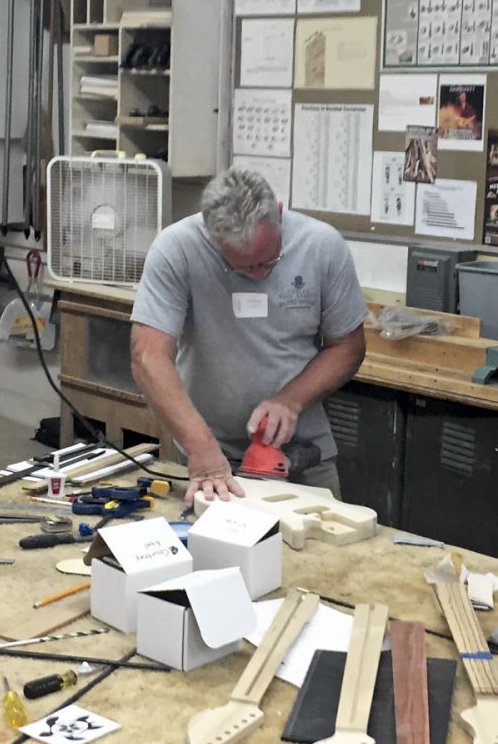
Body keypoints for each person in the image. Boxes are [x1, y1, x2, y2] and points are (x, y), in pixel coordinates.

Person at [130, 167, 368, 506]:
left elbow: (348, 347)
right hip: (207, 456)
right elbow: (148, 357)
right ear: (212, 238)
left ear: (280, 213)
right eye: (243, 267)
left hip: (302, 451)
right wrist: (201, 447)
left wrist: (291, 399)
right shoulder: (177, 249)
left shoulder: (321, 246)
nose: (259, 275)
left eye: (269, 260)